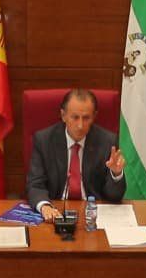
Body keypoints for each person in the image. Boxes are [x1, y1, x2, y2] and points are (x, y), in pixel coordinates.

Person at [25, 88, 126, 220]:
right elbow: (35, 184)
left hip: (92, 215)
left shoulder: (107, 141)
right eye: (75, 117)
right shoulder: (44, 140)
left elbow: (114, 197)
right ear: (63, 115)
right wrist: (45, 207)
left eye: (86, 118)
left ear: (94, 117)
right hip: (55, 212)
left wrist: (116, 174)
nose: (80, 125)